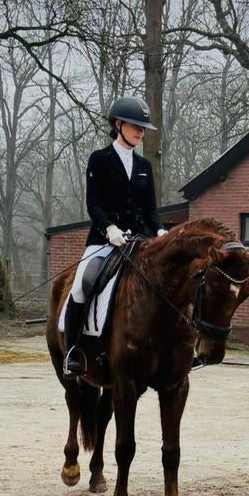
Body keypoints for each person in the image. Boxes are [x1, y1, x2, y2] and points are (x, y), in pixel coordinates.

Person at [62, 96, 168, 379]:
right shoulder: (100, 159)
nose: (141, 132)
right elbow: (93, 204)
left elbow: (150, 210)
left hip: (140, 241)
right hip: (103, 240)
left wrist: (159, 231)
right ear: (118, 124)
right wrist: (109, 228)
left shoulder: (145, 164)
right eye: (136, 126)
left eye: (143, 128)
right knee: (81, 286)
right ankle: (72, 350)